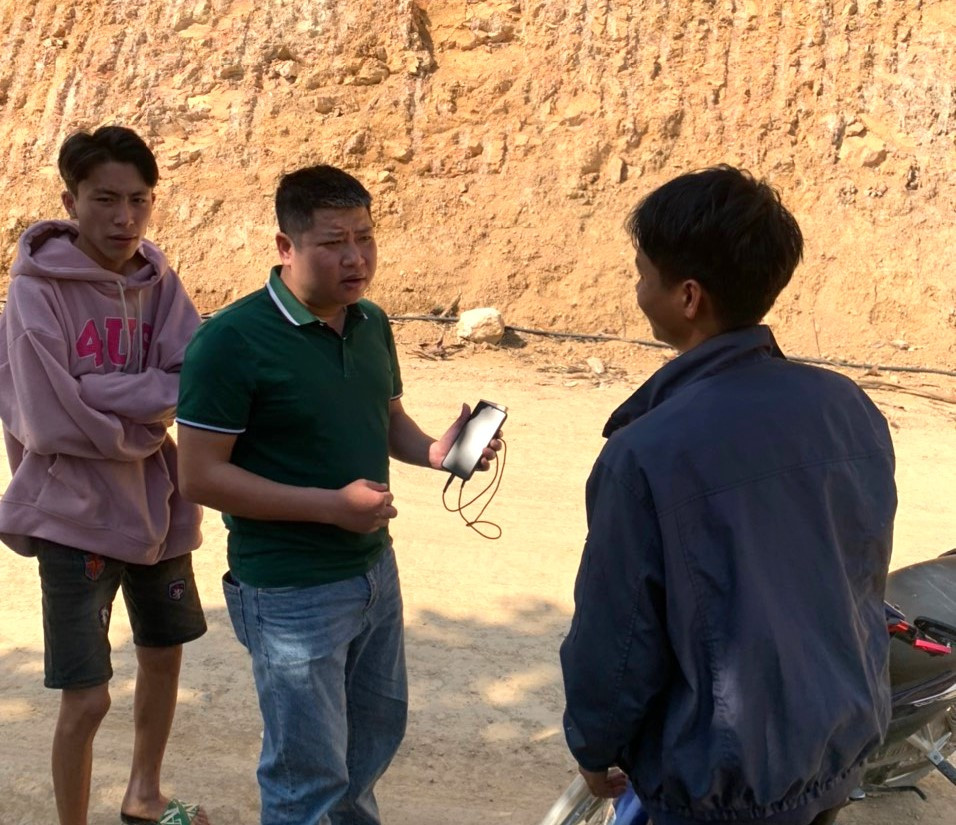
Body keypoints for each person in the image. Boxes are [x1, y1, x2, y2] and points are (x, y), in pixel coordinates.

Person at [560, 165, 896, 825]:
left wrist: (594, 744)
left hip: (720, 785)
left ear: (688, 297)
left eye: (642, 273)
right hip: (830, 751)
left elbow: (618, 636)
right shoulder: (847, 407)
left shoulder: (645, 451)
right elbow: (856, 578)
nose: (637, 289)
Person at [175, 164, 499, 825]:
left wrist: (438, 452)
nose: (356, 258)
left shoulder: (371, 322)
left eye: (365, 237)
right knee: (307, 781)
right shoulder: (230, 342)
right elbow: (199, 476)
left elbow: (388, 419)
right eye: (333, 242)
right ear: (285, 246)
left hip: (373, 572)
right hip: (291, 591)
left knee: (367, 751)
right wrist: (330, 506)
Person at [0, 126, 210, 825]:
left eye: (139, 200)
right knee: (87, 697)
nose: (125, 218)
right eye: (105, 199)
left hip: (157, 507)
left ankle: (144, 796)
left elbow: (194, 374)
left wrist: (96, 392)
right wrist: (147, 413)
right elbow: (46, 417)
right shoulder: (34, 294)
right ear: (71, 201)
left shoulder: (159, 280)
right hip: (71, 514)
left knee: (163, 654)